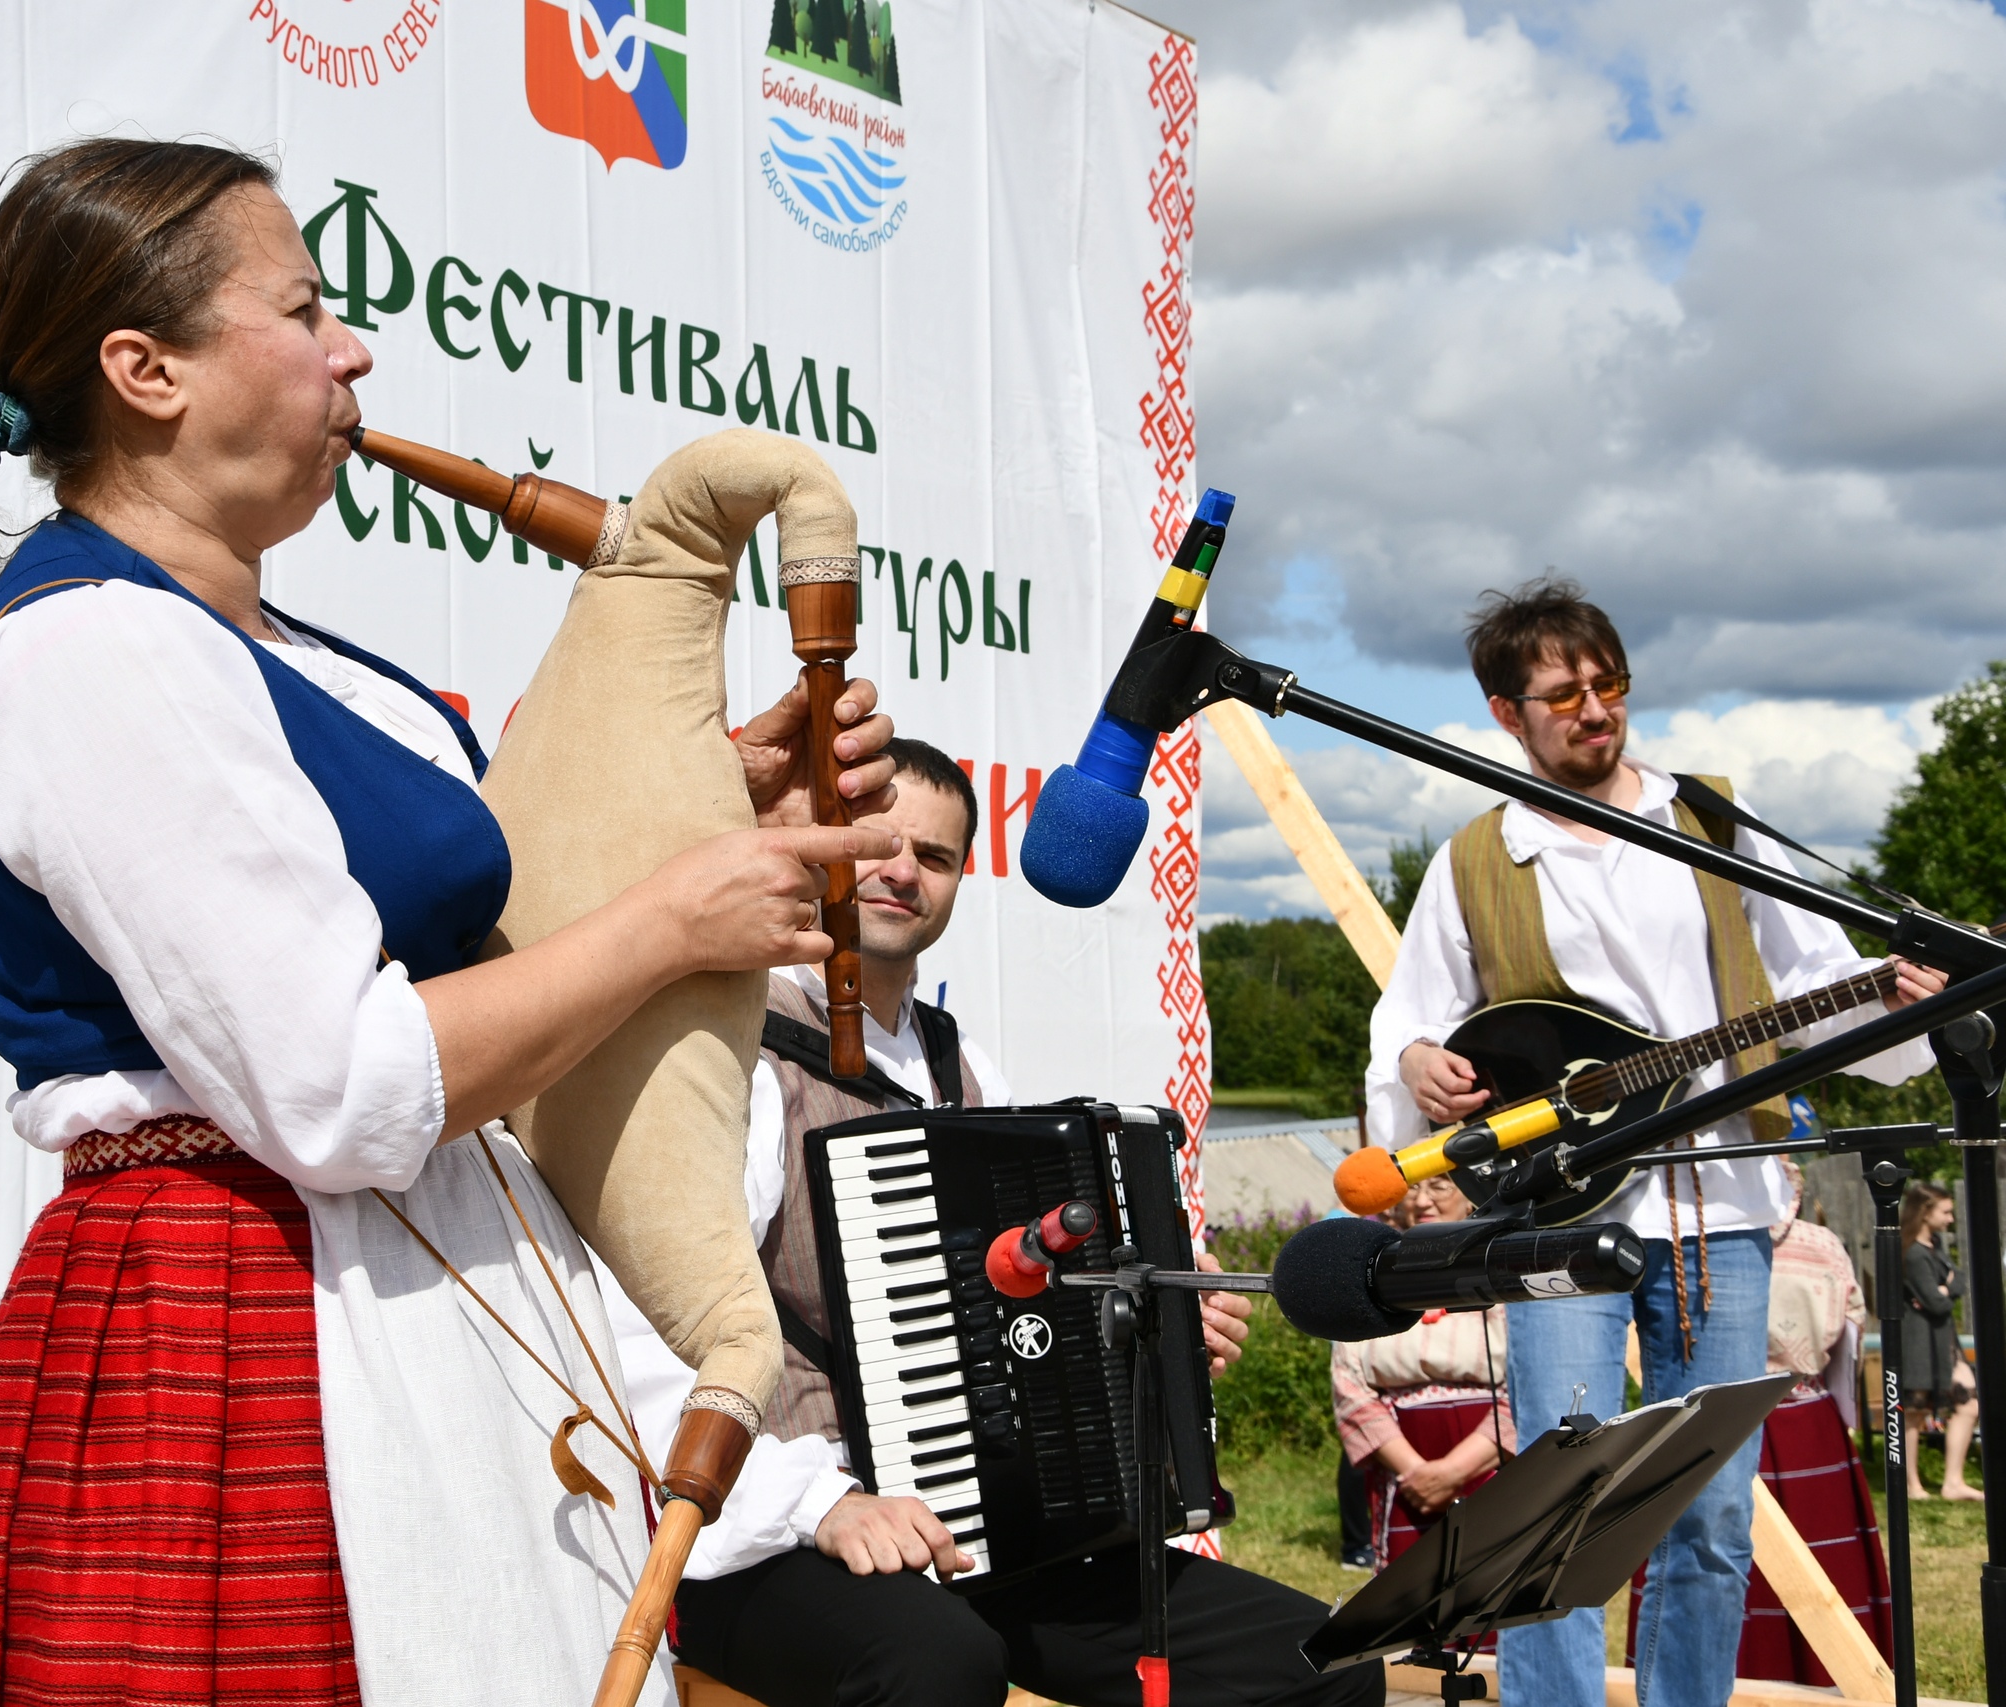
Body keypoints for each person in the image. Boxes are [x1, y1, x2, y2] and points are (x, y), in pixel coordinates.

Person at [0, 139, 901, 1706]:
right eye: (303, 310)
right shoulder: (86, 653)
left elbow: (486, 958)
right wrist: (670, 919)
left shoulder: (302, 654)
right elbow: (339, 1088)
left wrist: (716, 808)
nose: (353, 347)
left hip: (424, 1284)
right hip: (236, 1333)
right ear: (144, 369)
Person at [614, 739, 1383, 1707]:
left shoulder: (962, 1069)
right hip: (768, 1530)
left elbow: (1037, 1313)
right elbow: (648, 1330)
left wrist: (1158, 1331)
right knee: (936, 1664)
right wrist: (822, 1504)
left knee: (1319, 1657)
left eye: (934, 858)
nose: (903, 872)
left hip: (981, 1526)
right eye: (878, 845)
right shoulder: (737, 1052)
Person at [1364, 577, 1947, 1707]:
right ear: (1505, 715)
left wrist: (1891, 1001)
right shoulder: (1474, 860)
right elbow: (1411, 1017)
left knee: (1710, 1508)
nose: (1594, 710)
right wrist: (1417, 1065)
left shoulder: (1712, 822)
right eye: (1562, 693)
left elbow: (1818, 976)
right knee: (1561, 1501)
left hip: (1715, 1205)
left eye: (1609, 685)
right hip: (1555, 1217)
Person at [1656, 1158, 1891, 1684]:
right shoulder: (1822, 1244)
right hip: (1801, 1416)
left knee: (1731, 1546)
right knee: (1727, 1545)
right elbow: (1849, 1333)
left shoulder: (1685, 1243)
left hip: (1756, 1418)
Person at [1330, 1175, 1512, 1575]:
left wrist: (1455, 1471)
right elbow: (1349, 1383)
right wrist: (1415, 1472)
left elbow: (1524, 1385)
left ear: (1470, 1199)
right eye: (1412, 1188)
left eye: (1441, 1186)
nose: (1423, 1200)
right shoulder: (1369, 1280)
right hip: (1402, 1476)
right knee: (1409, 1598)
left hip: (1488, 1466)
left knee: (1491, 1594)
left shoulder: (1501, 1275)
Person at [1899, 1181, 1982, 1501]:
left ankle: (1953, 1482)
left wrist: (1947, 1287)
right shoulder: (1914, 1254)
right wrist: (1943, 1291)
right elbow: (1938, 1303)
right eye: (1945, 1212)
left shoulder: (1933, 1245)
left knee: (1968, 1404)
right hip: (1921, 1342)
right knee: (1915, 1412)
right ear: (1924, 1212)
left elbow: (1959, 1279)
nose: (1950, 1218)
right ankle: (1911, 1485)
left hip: (1943, 1340)